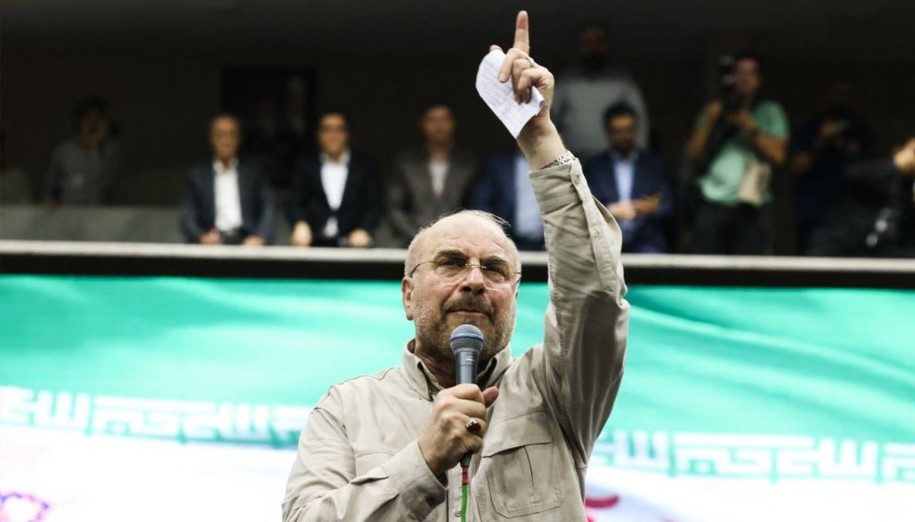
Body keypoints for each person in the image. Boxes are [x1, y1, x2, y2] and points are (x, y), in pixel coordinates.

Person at [283, 11, 628, 521]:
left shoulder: (555, 389)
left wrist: (539, 139)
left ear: (515, 295)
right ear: (408, 294)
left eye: (495, 269)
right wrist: (423, 461)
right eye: (450, 263)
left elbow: (594, 295)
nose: (474, 281)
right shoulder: (347, 409)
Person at [684, 50, 789, 255]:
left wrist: (752, 128)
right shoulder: (715, 109)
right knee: (705, 264)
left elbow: (779, 156)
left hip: (752, 203)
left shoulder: (769, 111)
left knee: (748, 268)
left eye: (750, 73)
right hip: (713, 200)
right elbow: (692, 155)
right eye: (739, 73)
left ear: (759, 80)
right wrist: (711, 119)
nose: (744, 78)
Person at [790, 81, 876, 252]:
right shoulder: (810, 128)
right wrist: (821, 140)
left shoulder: (860, 128)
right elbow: (797, 167)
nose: (840, 99)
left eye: (844, 94)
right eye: (835, 94)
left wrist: (847, 146)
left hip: (852, 211)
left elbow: (874, 168)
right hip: (814, 209)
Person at [808, 136, 915, 258]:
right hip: (838, 247)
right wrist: (895, 165)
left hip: (876, 255)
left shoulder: (911, 194)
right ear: (899, 150)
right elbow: (851, 175)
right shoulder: (870, 169)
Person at [552, 21, 650, 159]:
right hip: (574, 159)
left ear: (605, 45)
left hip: (613, 161)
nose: (593, 47)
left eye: (597, 41)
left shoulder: (623, 82)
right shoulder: (566, 82)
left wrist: (639, 158)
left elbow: (641, 123)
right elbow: (551, 119)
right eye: (587, 42)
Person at [586, 103, 673, 253]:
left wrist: (651, 208)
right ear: (608, 133)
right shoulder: (595, 167)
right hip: (605, 241)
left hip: (646, 242)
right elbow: (585, 207)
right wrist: (611, 210)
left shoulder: (653, 164)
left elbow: (668, 205)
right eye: (619, 131)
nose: (624, 137)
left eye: (629, 130)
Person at [386, 104, 478, 246]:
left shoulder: (469, 164)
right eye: (432, 120)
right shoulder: (406, 163)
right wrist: (420, 238)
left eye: (444, 120)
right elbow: (395, 208)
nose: (439, 126)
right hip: (411, 243)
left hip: (460, 244)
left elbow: (477, 207)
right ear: (422, 124)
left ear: (454, 123)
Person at [288, 112, 382, 248]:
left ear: (347, 134)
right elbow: (294, 201)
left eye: (339, 130)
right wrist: (300, 223)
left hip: (354, 244)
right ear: (318, 135)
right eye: (327, 130)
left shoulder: (364, 166)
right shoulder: (305, 165)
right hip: (312, 243)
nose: (333, 136)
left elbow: (375, 205)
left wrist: (364, 229)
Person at [181, 114, 276, 246]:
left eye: (231, 135)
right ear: (211, 139)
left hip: (248, 240)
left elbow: (268, 208)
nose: (226, 141)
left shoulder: (254, 173)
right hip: (211, 240)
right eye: (220, 135)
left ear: (239, 139)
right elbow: (188, 214)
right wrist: (201, 237)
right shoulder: (197, 176)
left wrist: (260, 237)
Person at [43, 96, 119, 208]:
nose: (92, 125)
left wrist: (96, 148)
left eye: (98, 120)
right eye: (88, 119)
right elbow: (52, 186)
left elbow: (109, 185)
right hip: (67, 212)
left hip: (98, 214)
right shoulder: (64, 152)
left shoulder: (109, 151)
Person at [470, 146, 546, 251]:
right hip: (503, 243)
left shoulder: (558, 163)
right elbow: (481, 204)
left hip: (546, 246)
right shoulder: (497, 164)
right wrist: (493, 237)